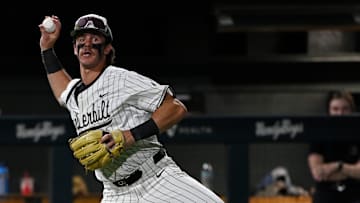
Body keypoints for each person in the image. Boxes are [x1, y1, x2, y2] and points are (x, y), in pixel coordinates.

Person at [38, 14, 224, 203]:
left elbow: (175, 107)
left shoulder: (120, 79)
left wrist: (129, 135)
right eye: (81, 39)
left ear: (107, 49)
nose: (87, 44)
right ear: (75, 49)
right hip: (115, 194)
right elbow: (62, 90)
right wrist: (47, 48)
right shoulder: (75, 94)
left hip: (156, 180)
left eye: (95, 39)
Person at [308, 90, 360, 203]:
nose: (340, 113)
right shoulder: (319, 134)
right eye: (335, 109)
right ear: (329, 111)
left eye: (345, 109)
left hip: (354, 196)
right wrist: (347, 170)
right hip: (325, 197)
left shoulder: (358, 134)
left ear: (352, 110)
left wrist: (335, 167)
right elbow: (318, 173)